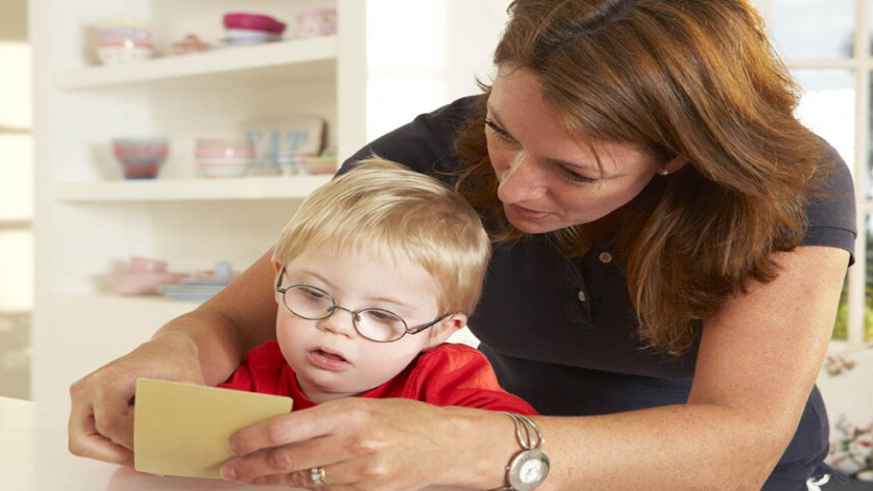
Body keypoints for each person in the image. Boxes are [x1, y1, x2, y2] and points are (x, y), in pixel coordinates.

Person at [68, 1, 856, 490]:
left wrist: (472, 447)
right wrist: (166, 354)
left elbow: (737, 445)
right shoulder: (427, 154)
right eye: (501, 131)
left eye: (573, 171)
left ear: (676, 156)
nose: (513, 188)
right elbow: (237, 314)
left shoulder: (788, 186)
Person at [214, 158, 536, 417]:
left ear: (438, 330)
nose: (337, 326)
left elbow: (518, 442)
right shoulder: (256, 376)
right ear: (278, 278)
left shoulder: (447, 379)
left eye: (381, 315)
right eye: (314, 295)